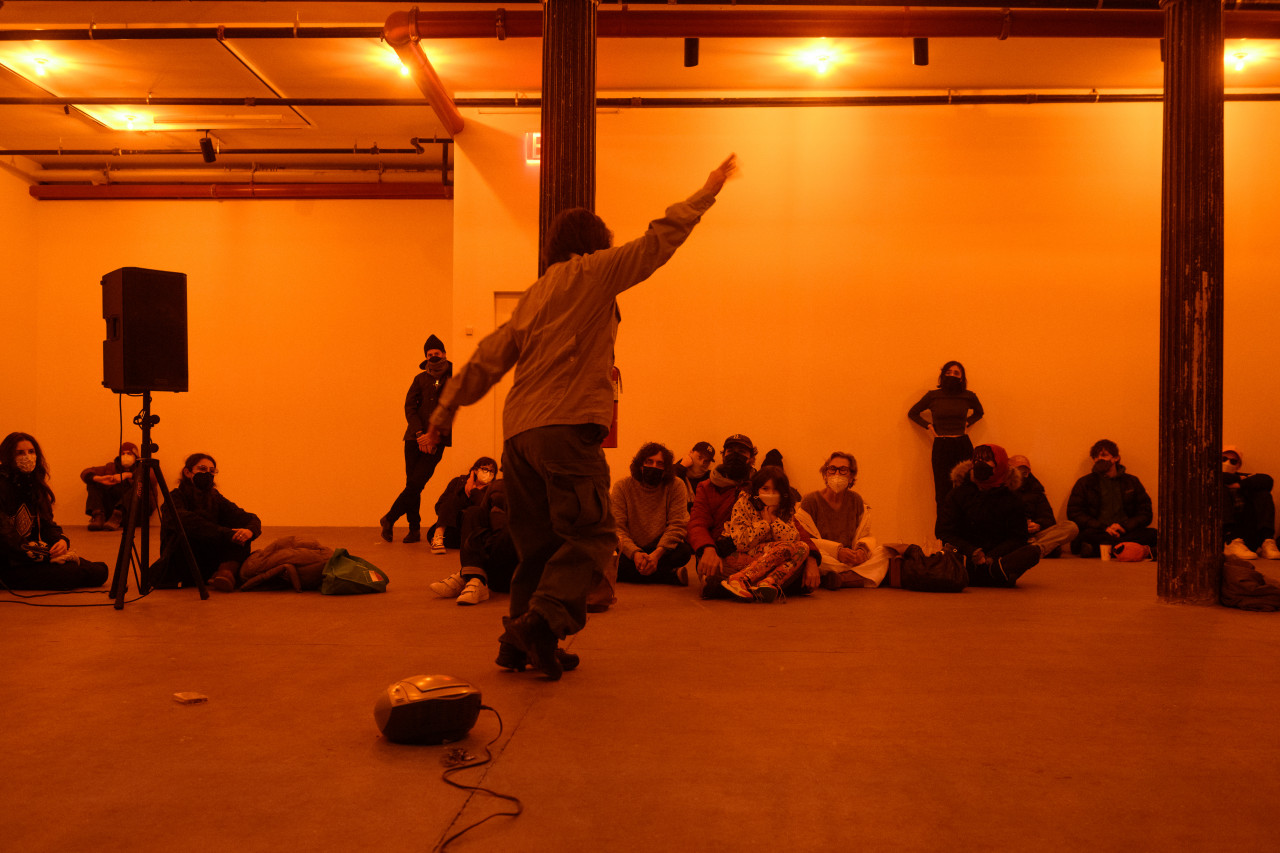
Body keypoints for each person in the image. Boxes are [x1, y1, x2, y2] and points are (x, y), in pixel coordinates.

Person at [423, 153, 738, 680]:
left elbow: (488, 356)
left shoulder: (535, 294)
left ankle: (520, 643)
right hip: (565, 430)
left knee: (539, 548)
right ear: (595, 242)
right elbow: (659, 239)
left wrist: (445, 410)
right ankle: (541, 622)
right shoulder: (595, 269)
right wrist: (708, 189)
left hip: (519, 435)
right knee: (593, 535)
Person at [0, 432, 108, 590]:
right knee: (74, 573)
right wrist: (46, 555)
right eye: (20, 453)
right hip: (9, 563)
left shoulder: (35, 485)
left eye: (31, 452)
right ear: (8, 455)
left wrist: (61, 542)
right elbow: (7, 538)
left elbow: (47, 524)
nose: (27, 457)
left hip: (34, 556)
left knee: (99, 571)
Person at [151, 453, 261, 592]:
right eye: (202, 469)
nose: (207, 474)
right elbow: (190, 523)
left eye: (211, 471)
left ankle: (224, 574)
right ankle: (226, 573)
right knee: (220, 535)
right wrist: (226, 533)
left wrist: (250, 531)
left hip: (210, 557)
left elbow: (249, 518)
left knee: (241, 536)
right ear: (187, 472)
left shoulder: (215, 497)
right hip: (185, 560)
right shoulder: (175, 497)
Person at [936, 443, 1041, 587]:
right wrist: (972, 551)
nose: (980, 464)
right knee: (946, 553)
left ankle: (993, 571)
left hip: (997, 558)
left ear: (1000, 464)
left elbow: (1018, 537)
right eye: (977, 460)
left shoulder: (1012, 498)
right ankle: (994, 576)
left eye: (986, 460)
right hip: (965, 556)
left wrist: (992, 556)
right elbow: (944, 531)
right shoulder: (958, 493)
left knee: (1033, 551)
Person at [380, 335, 452, 544]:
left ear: (444, 354)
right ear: (426, 357)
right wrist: (420, 434)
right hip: (414, 439)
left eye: (437, 354)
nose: (434, 358)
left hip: (437, 440)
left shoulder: (453, 378)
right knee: (413, 484)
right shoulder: (419, 379)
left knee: (417, 482)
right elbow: (409, 407)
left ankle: (390, 517)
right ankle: (414, 529)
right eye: (430, 355)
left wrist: (433, 437)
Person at [720, 466, 820, 602]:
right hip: (740, 554)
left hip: (771, 553)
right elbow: (741, 543)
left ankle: (768, 582)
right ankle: (739, 579)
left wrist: (774, 521)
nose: (771, 493)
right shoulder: (743, 503)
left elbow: (793, 539)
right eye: (765, 488)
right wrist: (764, 525)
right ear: (757, 489)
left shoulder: (785, 507)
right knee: (787, 548)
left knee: (803, 547)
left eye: (776, 489)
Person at [798, 451, 893, 589]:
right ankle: (855, 578)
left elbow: (865, 534)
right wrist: (837, 551)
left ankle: (839, 579)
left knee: (884, 553)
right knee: (810, 558)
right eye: (832, 469)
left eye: (843, 470)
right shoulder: (810, 501)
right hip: (827, 557)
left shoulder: (856, 501)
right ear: (825, 474)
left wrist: (861, 550)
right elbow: (804, 539)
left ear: (851, 477)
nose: (837, 474)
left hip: (851, 559)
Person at [907, 360, 985, 520]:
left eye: (956, 373)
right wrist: (928, 426)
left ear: (962, 377)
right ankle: (946, 538)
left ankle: (967, 535)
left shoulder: (968, 396)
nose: (952, 375)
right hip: (942, 445)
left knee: (967, 488)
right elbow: (913, 413)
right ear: (942, 375)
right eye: (948, 372)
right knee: (943, 492)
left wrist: (968, 423)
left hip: (962, 445)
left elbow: (979, 412)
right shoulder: (933, 396)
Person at [611, 441, 693, 586]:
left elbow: (677, 525)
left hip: (661, 549)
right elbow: (617, 528)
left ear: (666, 468)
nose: (654, 467)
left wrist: (656, 555)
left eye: (660, 464)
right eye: (649, 462)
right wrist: (635, 553)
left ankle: (640, 572)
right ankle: (669, 576)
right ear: (640, 465)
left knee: (684, 552)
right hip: (630, 548)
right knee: (606, 557)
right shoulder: (621, 487)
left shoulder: (676, 485)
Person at [688, 433, 758, 599]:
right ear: (723, 455)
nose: (735, 455)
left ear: (750, 458)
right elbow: (697, 523)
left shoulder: (761, 486)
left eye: (742, 452)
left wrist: (812, 558)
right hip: (716, 550)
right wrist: (708, 548)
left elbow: (788, 519)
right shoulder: (706, 487)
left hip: (753, 549)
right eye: (730, 451)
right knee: (711, 573)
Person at [430, 477, 517, 607]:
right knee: (472, 513)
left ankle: (469, 575)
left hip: (516, 572)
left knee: (510, 529)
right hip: (495, 562)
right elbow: (482, 509)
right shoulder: (494, 486)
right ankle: (473, 576)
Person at [1066, 439, 1158, 558]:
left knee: (1154, 534)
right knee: (1084, 535)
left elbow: (1145, 513)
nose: (1099, 459)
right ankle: (1126, 549)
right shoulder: (1084, 483)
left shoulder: (1132, 481)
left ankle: (1099, 549)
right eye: (1095, 457)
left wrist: (1124, 527)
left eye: (1104, 455)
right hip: (1099, 531)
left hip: (1126, 532)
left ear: (1116, 458)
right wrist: (1104, 527)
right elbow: (1074, 513)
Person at [1007, 454, 1079, 558]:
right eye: (1018, 470)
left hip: (1035, 536)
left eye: (1025, 472)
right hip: (1014, 535)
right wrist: (1020, 526)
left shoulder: (1036, 491)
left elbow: (1049, 519)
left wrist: (1038, 525)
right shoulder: (1003, 489)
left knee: (1071, 527)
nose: (1023, 475)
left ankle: (1035, 549)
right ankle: (1038, 548)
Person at [79, 441, 160, 531]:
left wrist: (128, 475)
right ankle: (98, 516)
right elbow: (85, 472)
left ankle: (118, 515)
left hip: (134, 512)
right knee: (93, 482)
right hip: (111, 512)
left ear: (136, 456)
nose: (126, 456)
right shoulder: (110, 467)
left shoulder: (144, 467)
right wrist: (99, 478)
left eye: (129, 454)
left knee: (139, 485)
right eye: (123, 454)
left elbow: (151, 477)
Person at [426, 457, 498, 554]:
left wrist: (473, 491)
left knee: (473, 511)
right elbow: (439, 507)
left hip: (474, 528)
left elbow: (484, 511)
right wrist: (465, 487)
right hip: (455, 524)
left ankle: (466, 543)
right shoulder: (458, 482)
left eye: (491, 471)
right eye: (485, 469)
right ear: (475, 470)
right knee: (454, 499)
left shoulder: (492, 489)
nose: (488, 473)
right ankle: (438, 536)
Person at [1221, 445, 1280, 560]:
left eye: (1233, 461)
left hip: (1248, 532)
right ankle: (1230, 541)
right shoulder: (1208, 478)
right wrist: (1239, 479)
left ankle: (1266, 540)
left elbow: (1267, 480)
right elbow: (1221, 477)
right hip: (1225, 535)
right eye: (1224, 459)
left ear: (1238, 466)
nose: (1227, 463)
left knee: (1263, 493)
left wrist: (1240, 484)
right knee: (1221, 489)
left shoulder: (1244, 480)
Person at [672, 441, 715, 509]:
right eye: (700, 457)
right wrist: (682, 467)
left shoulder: (711, 478)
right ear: (691, 452)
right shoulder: (674, 470)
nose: (701, 463)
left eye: (706, 461)